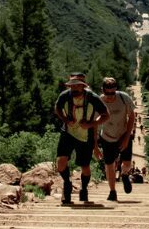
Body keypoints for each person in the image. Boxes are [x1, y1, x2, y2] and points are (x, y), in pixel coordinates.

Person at [55, 72, 110, 204]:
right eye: (71, 86)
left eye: (76, 86)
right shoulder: (64, 95)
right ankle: (67, 185)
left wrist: (91, 124)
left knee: (85, 166)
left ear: (83, 86)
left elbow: (105, 115)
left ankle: (83, 188)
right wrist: (65, 120)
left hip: (86, 136)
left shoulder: (92, 98)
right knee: (61, 162)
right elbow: (57, 107)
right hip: (68, 132)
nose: (73, 88)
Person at [98, 77, 136, 201]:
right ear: (103, 90)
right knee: (109, 165)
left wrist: (126, 137)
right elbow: (94, 121)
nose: (109, 95)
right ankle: (112, 191)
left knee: (127, 163)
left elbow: (131, 117)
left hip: (123, 134)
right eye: (107, 93)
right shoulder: (99, 101)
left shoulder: (124, 98)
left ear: (116, 90)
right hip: (107, 136)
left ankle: (124, 175)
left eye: (112, 92)